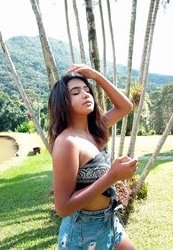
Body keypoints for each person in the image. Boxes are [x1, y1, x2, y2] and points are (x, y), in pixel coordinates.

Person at [48, 64, 138, 250]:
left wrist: (96, 76)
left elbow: (125, 106)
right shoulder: (67, 142)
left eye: (87, 90)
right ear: (62, 101)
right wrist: (112, 176)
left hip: (110, 221)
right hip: (83, 232)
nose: (85, 94)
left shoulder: (96, 129)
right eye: (75, 92)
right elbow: (63, 207)